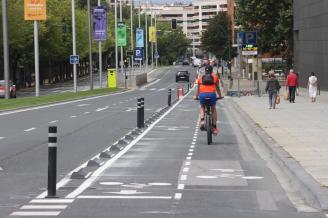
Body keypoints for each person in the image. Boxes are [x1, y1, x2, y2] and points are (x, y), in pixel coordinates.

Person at [193, 65, 221, 135]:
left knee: (202, 107)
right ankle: (214, 127)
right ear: (212, 71)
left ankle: (202, 121)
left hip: (202, 95)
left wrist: (196, 97)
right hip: (212, 95)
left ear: (205, 71)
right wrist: (220, 96)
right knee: (213, 109)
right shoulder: (215, 77)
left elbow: (198, 89)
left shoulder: (200, 77)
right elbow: (217, 88)